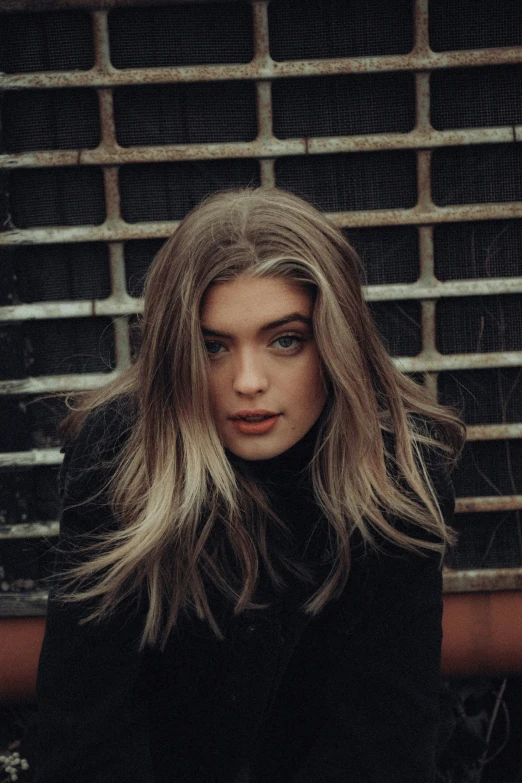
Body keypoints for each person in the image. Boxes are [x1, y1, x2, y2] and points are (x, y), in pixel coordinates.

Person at [34, 187, 464, 783]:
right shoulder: (123, 458)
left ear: (335, 343)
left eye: (285, 339)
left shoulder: (394, 473)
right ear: (176, 354)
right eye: (213, 347)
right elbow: (84, 737)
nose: (248, 381)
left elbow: (385, 743)